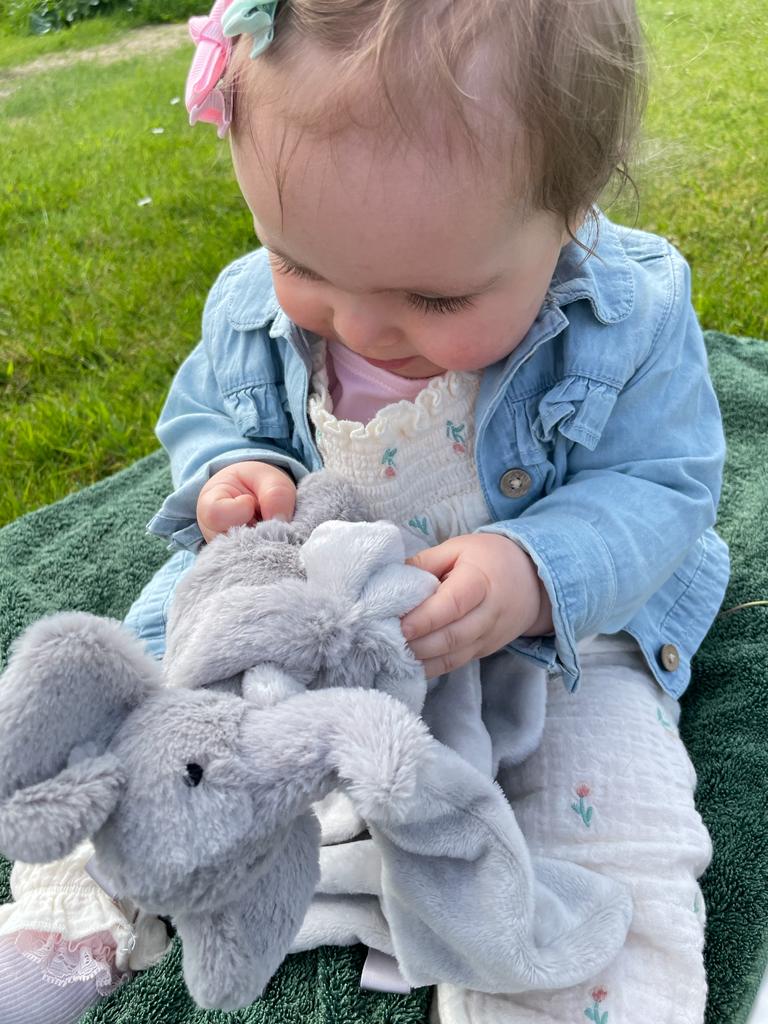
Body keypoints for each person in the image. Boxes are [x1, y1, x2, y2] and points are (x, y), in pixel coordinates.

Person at [0, 0, 730, 1021]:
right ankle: (72, 909)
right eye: (304, 267)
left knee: (612, 793)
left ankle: (587, 990)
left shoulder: (629, 312)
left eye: (434, 301)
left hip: (547, 637)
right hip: (304, 610)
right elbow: (211, 410)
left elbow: (667, 483)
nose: (362, 324)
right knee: (159, 701)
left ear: (568, 207)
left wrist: (534, 570)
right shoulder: (253, 299)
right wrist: (236, 472)